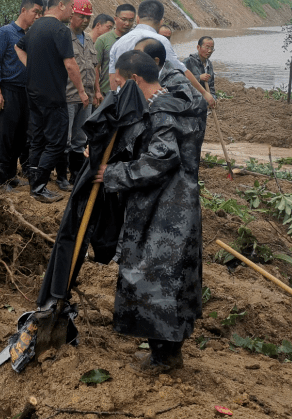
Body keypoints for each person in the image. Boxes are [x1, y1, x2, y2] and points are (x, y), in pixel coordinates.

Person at [93, 49, 206, 372]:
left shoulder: (161, 112)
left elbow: (161, 158)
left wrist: (114, 174)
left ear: (134, 80)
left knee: (154, 278)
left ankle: (164, 357)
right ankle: (168, 351)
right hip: (182, 205)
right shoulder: (181, 101)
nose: (115, 90)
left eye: (117, 84)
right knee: (175, 278)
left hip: (164, 210)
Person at [15, 0, 88, 203]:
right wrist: (82, 92)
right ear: (62, 5)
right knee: (56, 142)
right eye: (73, 7)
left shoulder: (35, 26)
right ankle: (39, 187)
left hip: (34, 93)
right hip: (53, 96)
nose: (74, 11)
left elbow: (18, 48)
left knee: (37, 138)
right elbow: (70, 64)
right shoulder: (60, 30)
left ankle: (34, 182)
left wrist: (33, 69)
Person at [108, 0, 215, 109]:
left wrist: (117, 103)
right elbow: (182, 71)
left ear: (137, 18)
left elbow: (113, 77)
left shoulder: (118, 43)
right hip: (150, 103)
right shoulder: (161, 41)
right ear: (161, 22)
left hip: (124, 102)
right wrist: (204, 93)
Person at [0, 0, 44, 191]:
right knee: (5, 135)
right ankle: (1, 179)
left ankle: (12, 175)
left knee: (21, 136)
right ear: (23, 10)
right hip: (8, 89)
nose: (38, 16)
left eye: (40, 13)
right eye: (35, 12)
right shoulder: (5, 33)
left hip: (26, 92)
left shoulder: (32, 35)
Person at [62, 0, 101, 188]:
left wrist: (97, 91)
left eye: (87, 17)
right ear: (72, 14)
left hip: (87, 97)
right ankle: (61, 174)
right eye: (81, 16)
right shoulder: (63, 36)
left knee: (80, 138)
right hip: (68, 95)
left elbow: (94, 67)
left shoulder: (89, 39)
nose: (85, 20)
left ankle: (75, 175)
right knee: (65, 138)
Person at [94, 4, 136, 98]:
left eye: (131, 20)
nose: (127, 23)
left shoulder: (135, 40)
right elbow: (96, 68)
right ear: (115, 18)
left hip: (130, 94)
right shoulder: (103, 40)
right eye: (124, 19)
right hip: (106, 93)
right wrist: (97, 92)